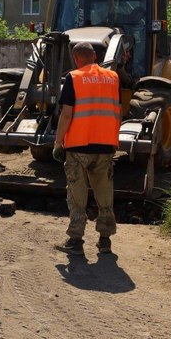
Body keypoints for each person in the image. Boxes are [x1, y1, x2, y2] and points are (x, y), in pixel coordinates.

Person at [52, 42, 121, 255]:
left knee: (77, 194)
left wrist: (58, 142)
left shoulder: (74, 77)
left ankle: (75, 241)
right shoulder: (113, 77)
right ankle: (105, 241)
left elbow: (66, 114)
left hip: (79, 146)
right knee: (104, 193)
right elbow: (117, 110)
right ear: (94, 56)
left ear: (76, 59)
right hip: (105, 146)